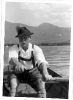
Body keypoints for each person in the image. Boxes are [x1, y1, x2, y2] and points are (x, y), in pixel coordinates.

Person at [8, 25, 54, 97]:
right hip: (18, 73)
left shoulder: (36, 49)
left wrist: (46, 74)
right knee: (13, 83)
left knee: (41, 82)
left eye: (25, 38)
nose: (23, 41)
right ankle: (12, 95)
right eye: (21, 38)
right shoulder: (14, 48)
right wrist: (18, 64)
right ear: (18, 39)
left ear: (30, 38)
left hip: (32, 72)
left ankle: (42, 95)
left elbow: (41, 62)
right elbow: (12, 59)